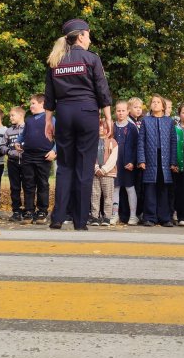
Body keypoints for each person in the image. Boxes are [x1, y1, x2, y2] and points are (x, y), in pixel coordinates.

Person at [45, 19, 112, 231]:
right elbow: (102, 89)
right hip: (87, 113)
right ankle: (80, 221)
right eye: (88, 35)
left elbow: (49, 95)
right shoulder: (91, 58)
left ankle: (58, 218)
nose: (90, 39)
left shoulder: (55, 60)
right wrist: (108, 117)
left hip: (64, 114)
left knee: (64, 167)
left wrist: (48, 121)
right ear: (81, 36)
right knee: (84, 168)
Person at [14, 94, 56, 224]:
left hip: (44, 156)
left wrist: (54, 151)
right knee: (28, 184)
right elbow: (23, 135)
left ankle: (42, 211)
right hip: (28, 155)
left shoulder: (51, 119)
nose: (30, 106)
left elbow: (61, 138)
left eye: (33, 103)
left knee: (42, 184)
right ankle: (29, 211)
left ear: (42, 104)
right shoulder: (29, 120)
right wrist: (18, 142)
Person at [137, 94, 178, 227]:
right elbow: (141, 141)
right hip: (150, 158)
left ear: (163, 106)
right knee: (150, 188)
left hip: (165, 159)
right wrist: (141, 159)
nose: (155, 104)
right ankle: (149, 217)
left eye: (158, 102)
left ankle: (165, 218)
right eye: (153, 102)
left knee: (164, 188)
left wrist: (173, 161)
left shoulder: (169, 121)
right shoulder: (145, 120)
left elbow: (173, 141)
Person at [112, 100, 139, 226]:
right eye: (118, 110)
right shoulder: (112, 127)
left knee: (130, 189)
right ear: (115, 112)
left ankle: (133, 216)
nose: (121, 113)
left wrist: (133, 162)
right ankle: (114, 214)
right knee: (115, 189)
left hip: (128, 165)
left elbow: (136, 147)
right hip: (114, 165)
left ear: (128, 111)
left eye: (123, 110)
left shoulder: (132, 128)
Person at [0, 106, 26, 221]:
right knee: (15, 188)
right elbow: (2, 146)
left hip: (27, 162)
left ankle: (28, 211)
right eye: (10, 115)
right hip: (12, 162)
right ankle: (16, 211)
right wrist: (9, 151)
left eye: (12, 115)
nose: (10, 117)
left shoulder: (29, 129)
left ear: (20, 115)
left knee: (28, 187)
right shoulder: (9, 131)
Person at [91, 119, 118, 226]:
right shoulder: (92, 141)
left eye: (104, 126)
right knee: (95, 195)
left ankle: (107, 217)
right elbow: (91, 157)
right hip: (95, 173)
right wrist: (96, 168)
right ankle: (94, 217)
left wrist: (104, 169)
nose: (101, 128)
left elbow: (113, 158)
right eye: (99, 126)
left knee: (108, 196)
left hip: (108, 173)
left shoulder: (113, 142)